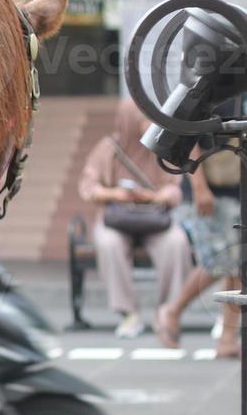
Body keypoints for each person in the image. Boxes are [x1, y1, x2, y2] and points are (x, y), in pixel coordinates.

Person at [77, 98, 194, 339]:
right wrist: (117, 194)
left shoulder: (161, 148)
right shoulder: (108, 147)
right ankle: (128, 314)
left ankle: (166, 311)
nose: (148, 123)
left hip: (154, 220)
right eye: (143, 117)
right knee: (108, 243)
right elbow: (88, 187)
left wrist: (155, 197)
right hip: (118, 219)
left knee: (177, 242)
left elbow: (174, 189)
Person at [155, 143, 242, 356]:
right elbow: (191, 140)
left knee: (237, 263)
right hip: (211, 190)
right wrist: (199, 188)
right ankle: (173, 310)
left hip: (236, 185)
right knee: (223, 262)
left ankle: (227, 338)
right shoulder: (208, 107)